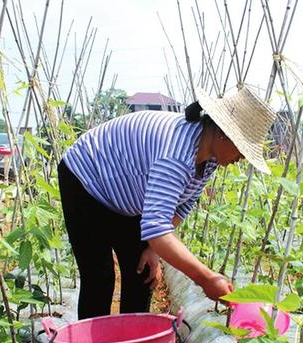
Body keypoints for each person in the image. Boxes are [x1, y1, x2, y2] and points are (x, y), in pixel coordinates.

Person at [58, 86, 276, 319]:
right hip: (85, 179)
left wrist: (152, 249)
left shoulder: (209, 158)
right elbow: (157, 230)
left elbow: (181, 206)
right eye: (242, 149)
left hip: (127, 192)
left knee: (143, 274)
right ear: (223, 133)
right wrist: (206, 279)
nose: (241, 158)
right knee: (100, 277)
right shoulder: (176, 155)